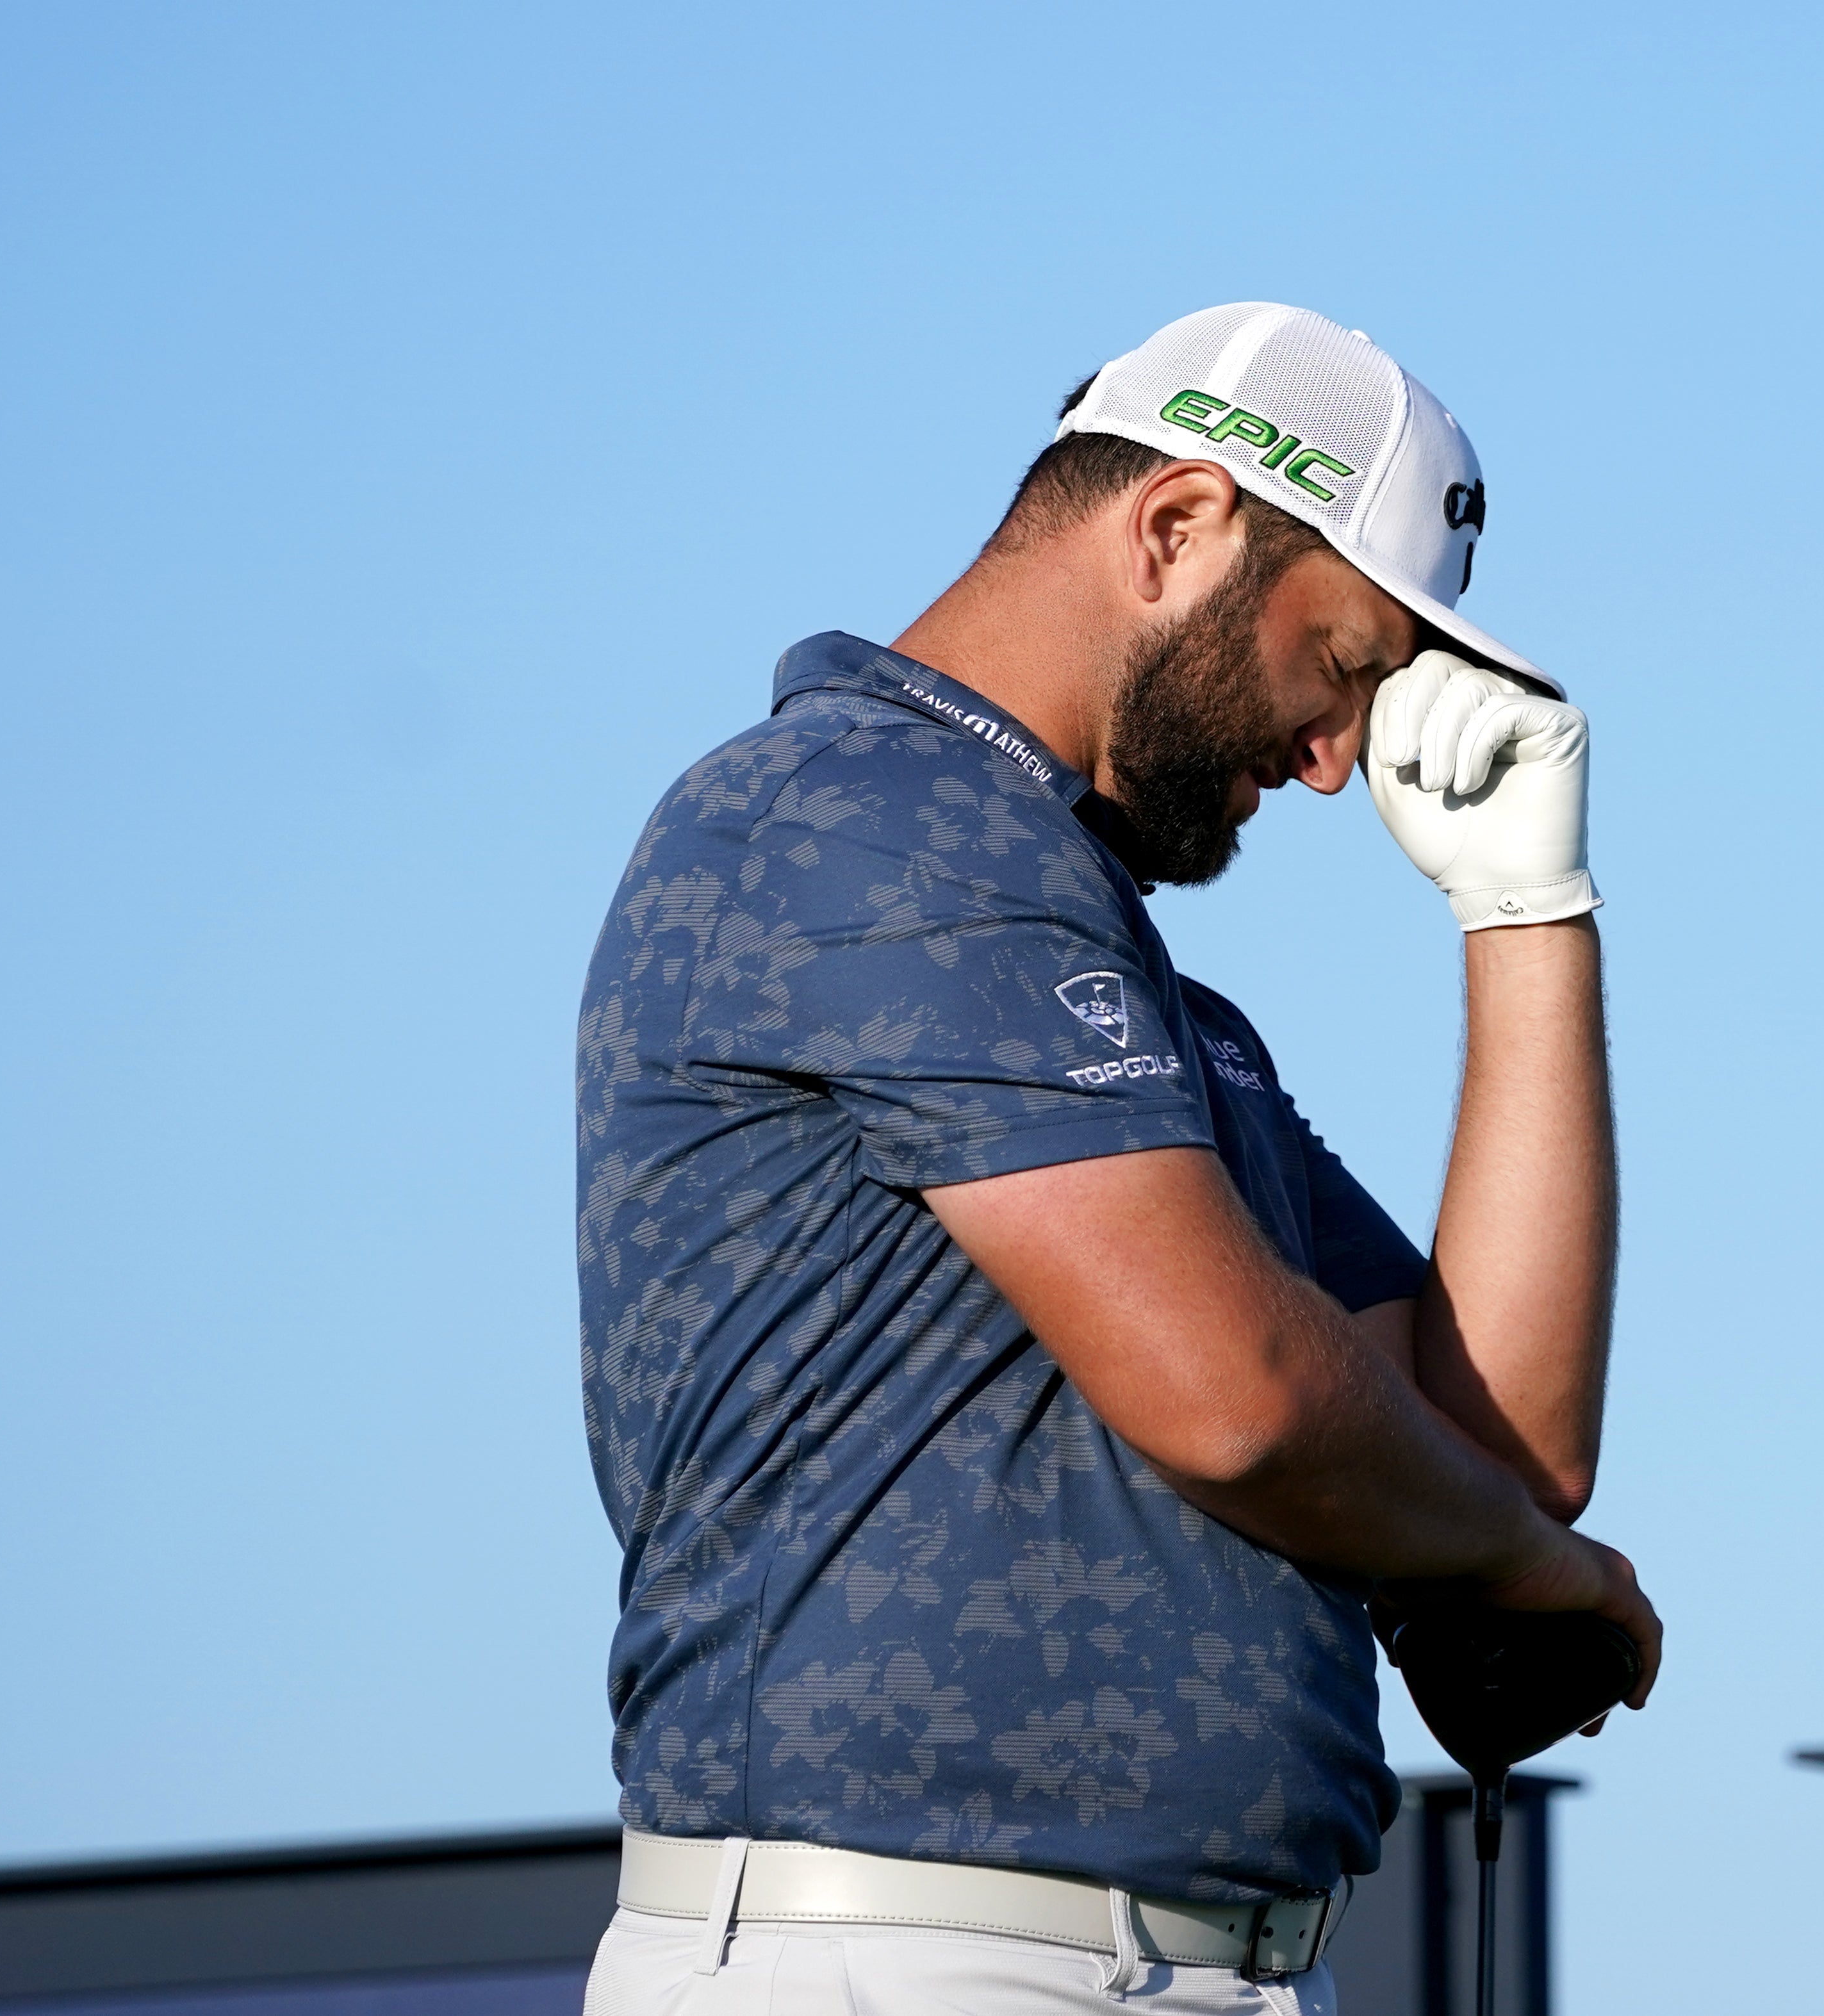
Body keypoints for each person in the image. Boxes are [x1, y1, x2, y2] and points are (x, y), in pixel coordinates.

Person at [574, 303, 1656, 2016]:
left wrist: (1527, 911)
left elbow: (1504, 1446)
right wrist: (1533, 1576)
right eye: (1347, 661)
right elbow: (1245, 1395)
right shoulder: (867, 811)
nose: (1331, 759)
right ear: (1176, 529)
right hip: (902, 1959)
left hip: (1159, 1969)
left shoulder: (1157, 1010)